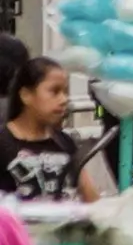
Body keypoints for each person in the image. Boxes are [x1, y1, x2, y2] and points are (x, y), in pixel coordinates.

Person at [0, 57, 96, 201]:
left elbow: (92, 201)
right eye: (54, 91)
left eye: (65, 92)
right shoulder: (3, 143)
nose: (64, 99)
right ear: (26, 95)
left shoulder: (65, 143)